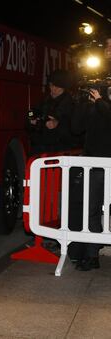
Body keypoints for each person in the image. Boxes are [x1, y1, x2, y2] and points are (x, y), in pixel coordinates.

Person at [69, 87, 111, 271]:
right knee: (91, 210)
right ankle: (92, 255)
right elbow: (76, 128)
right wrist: (83, 103)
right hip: (94, 166)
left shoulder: (104, 106)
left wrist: (100, 101)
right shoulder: (95, 107)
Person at [28, 69, 79, 154]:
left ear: (64, 87)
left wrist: (57, 123)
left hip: (60, 149)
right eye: (51, 85)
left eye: (57, 87)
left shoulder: (72, 103)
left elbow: (75, 128)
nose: (53, 89)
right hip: (40, 147)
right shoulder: (44, 100)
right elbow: (31, 111)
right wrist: (31, 118)